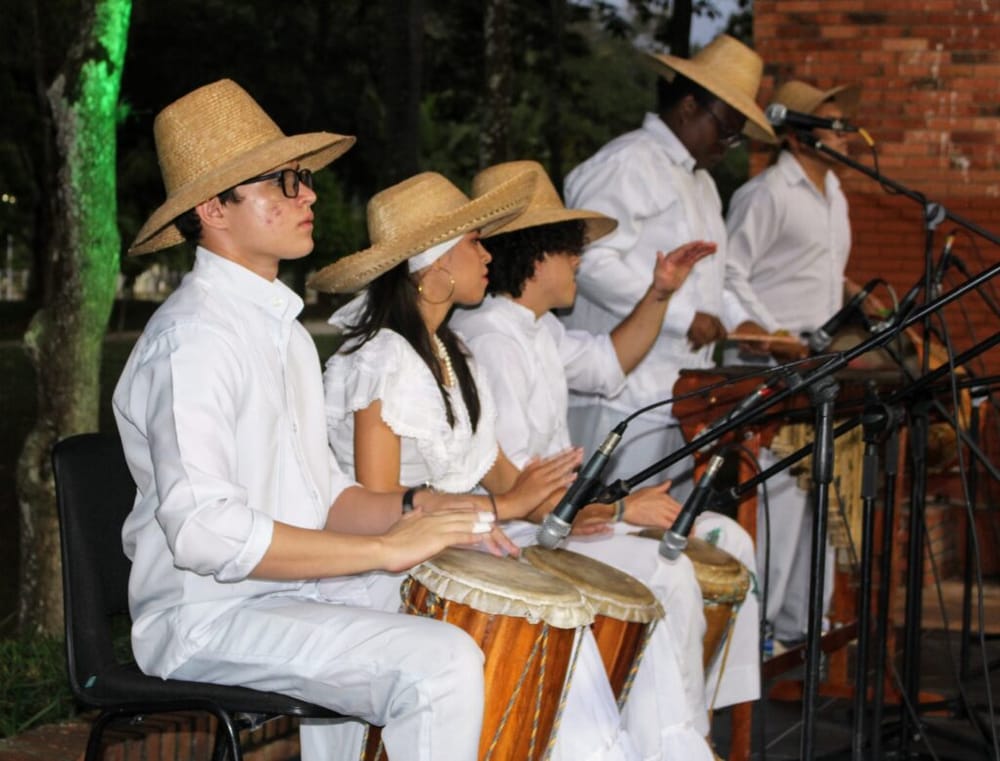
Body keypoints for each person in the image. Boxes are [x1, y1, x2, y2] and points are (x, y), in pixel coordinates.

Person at [113, 79, 507, 761]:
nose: (311, 195)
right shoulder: (194, 339)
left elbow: (327, 497)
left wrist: (428, 508)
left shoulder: (285, 334)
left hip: (279, 596)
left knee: (431, 598)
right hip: (208, 618)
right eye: (286, 182)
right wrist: (384, 550)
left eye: (303, 180)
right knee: (438, 659)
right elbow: (204, 530)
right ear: (215, 207)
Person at [310, 170, 705, 761]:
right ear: (436, 266)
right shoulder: (382, 361)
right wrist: (507, 508)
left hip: (453, 557)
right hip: (389, 580)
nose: (487, 251)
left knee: (579, 641)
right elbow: (382, 507)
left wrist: (548, 501)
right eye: (473, 241)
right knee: (566, 647)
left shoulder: (452, 355)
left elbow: (504, 481)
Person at [451, 159, 725, 749]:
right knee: (667, 574)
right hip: (522, 543)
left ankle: (670, 739)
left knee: (677, 564)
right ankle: (668, 742)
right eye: (569, 249)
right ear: (536, 253)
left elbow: (608, 362)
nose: (579, 261)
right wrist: (622, 512)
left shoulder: (534, 328)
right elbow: (521, 496)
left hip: (557, 528)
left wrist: (660, 292)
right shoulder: (494, 339)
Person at [560, 34, 777, 708]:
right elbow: (586, 260)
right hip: (624, 389)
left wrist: (752, 326)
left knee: (662, 540)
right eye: (726, 128)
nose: (728, 145)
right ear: (690, 104)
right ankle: (596, 693)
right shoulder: (626, 164)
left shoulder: (702, 183)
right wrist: (684, 318)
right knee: (612, 541)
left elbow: (711, 283)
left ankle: (656, 693)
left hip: (682, 393)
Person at [724, 79, 861, 647]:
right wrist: (770, 334)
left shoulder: (836, 195)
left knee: (821, 501)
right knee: (778, 501)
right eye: (832, 126)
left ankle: (805, 629)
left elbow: (816, 274)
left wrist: (856, 300)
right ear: (800, 137)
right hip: (773, 370)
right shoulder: (765, 194)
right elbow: (729, 273)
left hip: (821, 368)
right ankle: (758, 635)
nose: (845, 137)